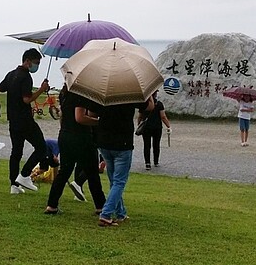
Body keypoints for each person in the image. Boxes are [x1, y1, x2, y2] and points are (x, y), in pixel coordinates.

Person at [44, 85, 106, 215]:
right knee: (92, 172)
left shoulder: (64, 94)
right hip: (81, 137)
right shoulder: (80, 94)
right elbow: (80, 117)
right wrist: (99, 122)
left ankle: (52, 204)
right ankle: (100, 205)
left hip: (65, 134)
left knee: (64, 171)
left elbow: (63, 116)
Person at [95, 96, 154, 226]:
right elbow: (150, 106)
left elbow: (93, 113)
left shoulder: (105, 94)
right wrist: (147, 94)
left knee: (114, 180)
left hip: (104, 141)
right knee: (119, 181)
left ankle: (120, 212)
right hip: (123, 143)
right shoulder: (128, 95)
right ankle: (106, 214)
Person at [0, 48, 50, 194]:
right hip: (25, 120)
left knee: (16, 152)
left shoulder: (11, 74)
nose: (37, 66)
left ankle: (14, 185)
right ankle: (25, 175)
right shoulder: (26, 76)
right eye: (36, 63)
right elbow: (27, 99)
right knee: (41, 147)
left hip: (13, 120)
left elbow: (1, 88)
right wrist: (41, 89)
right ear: (27, 61)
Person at [138, 90, 171, 169]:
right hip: (157, 127)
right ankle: (156, 162)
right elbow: (163, 117)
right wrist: (168, 126)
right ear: (155, 94)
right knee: (156, 145)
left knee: (147, 145)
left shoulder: (144, 104)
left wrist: (139, 124)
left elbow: (140, 116)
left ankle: (147, 163)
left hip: (146, 127)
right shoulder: (159, 104)